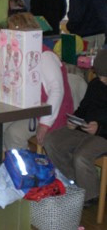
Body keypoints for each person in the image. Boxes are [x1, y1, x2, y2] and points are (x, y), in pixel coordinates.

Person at [44, 50, 107, 207]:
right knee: (52, 140)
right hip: (85, 129)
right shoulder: (95, 84)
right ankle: (75, 183)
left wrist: (99, 129)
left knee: (81, 156)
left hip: (103, 135)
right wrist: (74, 120)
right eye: (100, 75)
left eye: (105, 76)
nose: (102, 79)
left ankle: (90, 195)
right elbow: (84, 108)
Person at [3, 12, 74, 149]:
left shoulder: (45, 56)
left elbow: (57, 90)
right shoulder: (22, 52)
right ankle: (11, 159)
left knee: (14, 134)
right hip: (30, 110)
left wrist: (44, 124)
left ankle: (24, 167)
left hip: (49, 113)